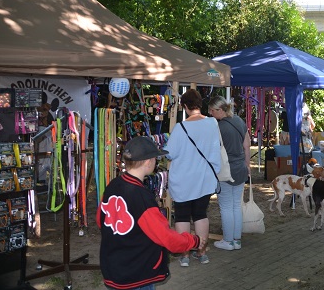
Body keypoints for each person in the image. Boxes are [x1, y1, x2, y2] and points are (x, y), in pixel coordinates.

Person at [98, 136, 203, 290]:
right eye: (155, 158)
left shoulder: (113, 185)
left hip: (114, 268)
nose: (156, 162)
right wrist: (194, 241)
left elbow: (101, 220)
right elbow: (165, 237)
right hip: (137, 272)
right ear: (148, 162)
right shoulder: (142, 197)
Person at [165, 89, 221, 267]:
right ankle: (202, 252)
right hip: (204, 179)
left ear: (184, 106)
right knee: (200, 214)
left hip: (183, 180)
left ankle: (185, 255)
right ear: (200, 104)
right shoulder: (213, 123)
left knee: (182, 216)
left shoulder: (181, 128)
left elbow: (170, 153)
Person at [208, 95, 251, 251]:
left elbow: (213, 151)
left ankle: (228, 241)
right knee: (236, 206)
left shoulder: (219, 128)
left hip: (226, 170)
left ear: (219, 110)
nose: (211, 114)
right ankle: (236, 240)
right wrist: (248, 165)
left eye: (212, 111)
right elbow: (247, 146)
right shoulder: (239, 121)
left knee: (226, 207)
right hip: (240, 168)